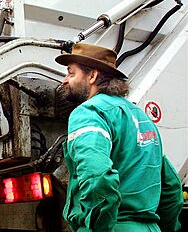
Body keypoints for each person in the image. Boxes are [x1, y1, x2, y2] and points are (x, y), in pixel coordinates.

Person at [55, 43, 183, 232]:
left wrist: (99, 228)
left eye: (71, 73)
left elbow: (97, 176)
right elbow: (171, 188)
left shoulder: (89, 112)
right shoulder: (142, 118)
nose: (64, 80)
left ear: (92, 76)